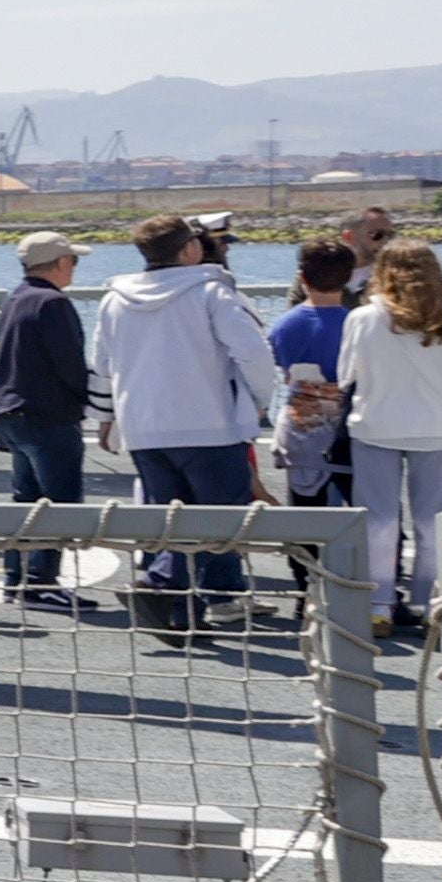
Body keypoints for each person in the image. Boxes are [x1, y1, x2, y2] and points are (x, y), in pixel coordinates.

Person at [99, 215, 282, 635]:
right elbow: (255, 355)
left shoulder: (115, 298)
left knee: (170, 519)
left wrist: (107, 417)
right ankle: (168, 587)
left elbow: (103, 365)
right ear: (188, 249)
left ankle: (182, 605)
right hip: (209, 426)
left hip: (144, 428)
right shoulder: (210, 292)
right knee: (217, 521)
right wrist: (256, 402)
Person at [339, 240, 442, 638]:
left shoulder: (364, 318)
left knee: (379, 521)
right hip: (437, 427)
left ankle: (378, 604)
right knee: (432, 522)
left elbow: (346, 374)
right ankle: (427, 602)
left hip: (376, 425)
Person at [0, 232, 91, 609]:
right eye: (73, 261)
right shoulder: (53, 303)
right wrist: (91, 401)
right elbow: (70, 364)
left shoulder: (14, 299)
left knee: (25, 500)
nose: (74, 269)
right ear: (61, 263)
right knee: (59, 502)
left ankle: (16, 578)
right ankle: (42, 581)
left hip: (12, 412)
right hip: (49, 415)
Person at [271, 239, 359, 507]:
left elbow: (282, 370)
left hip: (302, 430)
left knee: (305, 512)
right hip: (350, 428)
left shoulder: (283, 326)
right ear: (348, 277)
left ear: (302, 278)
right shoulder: (357, 323)